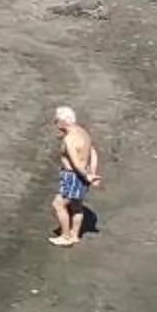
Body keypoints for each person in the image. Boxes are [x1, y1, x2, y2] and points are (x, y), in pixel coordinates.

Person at [50, 105, 102, 246]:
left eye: (56, 121)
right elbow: (93, 152)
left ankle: (66, 236)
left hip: (73, 176)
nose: (56, 125)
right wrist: (92, 171)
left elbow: (75, 163)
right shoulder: (82, 132)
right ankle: (74, 235)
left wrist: (87, 176)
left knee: (58, 204)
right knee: (77, 206)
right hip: (82, 175)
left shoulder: (70, 140)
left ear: (63, 122)